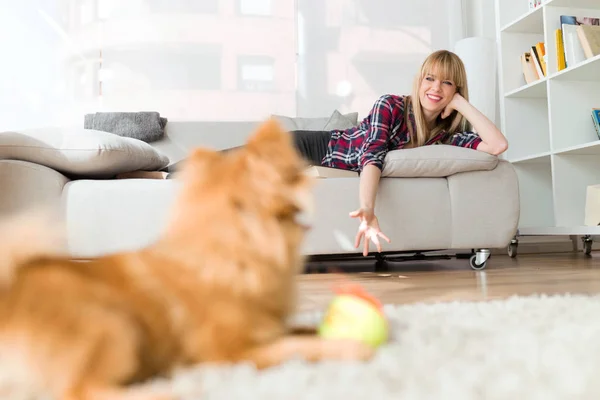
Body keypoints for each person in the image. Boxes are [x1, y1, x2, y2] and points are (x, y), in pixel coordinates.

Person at [288, 49, 508, 256]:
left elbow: (497, 145)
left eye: (447, 83)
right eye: (429, 78)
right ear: (420, 81)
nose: (436, 88)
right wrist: (367, 208)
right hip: (309, 147)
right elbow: (372, 157)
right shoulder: (391, 105)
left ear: (456, 90)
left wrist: (461, 104)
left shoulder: (446, 135)